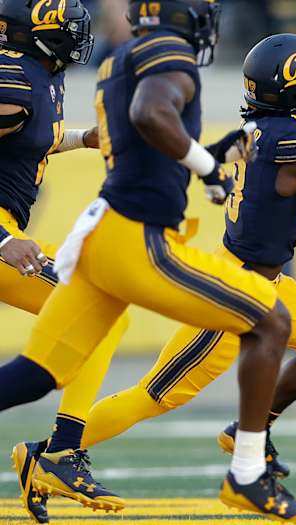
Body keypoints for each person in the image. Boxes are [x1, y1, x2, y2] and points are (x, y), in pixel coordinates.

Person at [28, 32, 296, 494]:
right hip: (235, 290)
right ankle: (48, 454)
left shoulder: (269, 127)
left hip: (268, 283)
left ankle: (248, 430)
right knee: (156, 395)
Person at [0, 0, 296, 521]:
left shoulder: (118, 60)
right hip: (132, 237)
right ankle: (247, 474)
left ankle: (60, 453)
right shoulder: (165, 53)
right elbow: (151, 116)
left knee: (35, 375)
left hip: (107, 231)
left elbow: (144, 142)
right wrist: (208, 165)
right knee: (270, 319)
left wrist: (212, 154)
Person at [0, 1, 130, 522]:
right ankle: (60, 453)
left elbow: (30, 138)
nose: (77, 33)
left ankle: (60, 452)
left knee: (101, 312)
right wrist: (1, 240)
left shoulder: (35, 73)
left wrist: (82, 139)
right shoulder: (11, 80)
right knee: (99, 308)